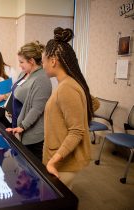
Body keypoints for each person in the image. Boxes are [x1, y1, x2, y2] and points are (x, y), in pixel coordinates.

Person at [42, 27, 93, 189]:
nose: (42, 65)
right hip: (59, 159)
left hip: (62, 163)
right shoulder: (69, 84)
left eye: (43, 61)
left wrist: (53, 162)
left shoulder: (67, 88)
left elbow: (76, 131)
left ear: (53, 60)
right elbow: (93, 103)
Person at [6, 42, 52, 161]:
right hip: (18, 124)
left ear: (31, 61)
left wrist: (22, 126)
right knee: (21, 164)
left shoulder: (42, 79)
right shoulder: (24, 73)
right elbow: (17, 93)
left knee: (31, 170)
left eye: (22, 62)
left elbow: (37, 108)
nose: (20, 65)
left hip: (31, 132)